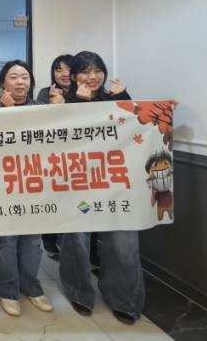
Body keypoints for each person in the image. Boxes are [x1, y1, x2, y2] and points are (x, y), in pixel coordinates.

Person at [58, 51, 143, 325]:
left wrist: (125, 97)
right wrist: (78, 104)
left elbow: (136, 129)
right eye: (85, 71)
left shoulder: (116, 99)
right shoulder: (63, 102)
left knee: (123, 241)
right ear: (73, 77)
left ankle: (124, 299)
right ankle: (79, 293)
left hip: (116, 183)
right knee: (77, 239)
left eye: (97, 71)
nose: (92, 77)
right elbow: (61, 139)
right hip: (77, 183)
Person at [0, 60, 55, 317]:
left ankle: (32, 286)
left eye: (24, 77)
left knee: (32, 241)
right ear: (3, 82)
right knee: (6, 240)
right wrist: (6, 111)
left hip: (34, 182)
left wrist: (59, 111)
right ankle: (8, 290)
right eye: (13, 77)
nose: (20, 82)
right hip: (2, 184)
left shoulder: (39, 108)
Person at [35, 54, 73, 258]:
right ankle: (49, 241)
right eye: (59, 70)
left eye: (69, 69)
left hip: (78, 159)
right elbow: (41, 123)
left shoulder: (87, 93)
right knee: (51, 198)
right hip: (51, 158)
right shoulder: (45, 93)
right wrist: (52, 104)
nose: (64, 74)